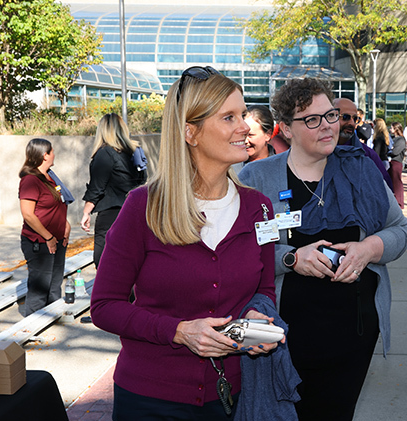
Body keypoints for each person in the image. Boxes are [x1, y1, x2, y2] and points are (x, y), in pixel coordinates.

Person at [91, 66, 284, 420]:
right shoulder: (143, 206)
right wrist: (178, 332)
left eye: (243, 114)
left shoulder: (260, 208)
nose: (245, 126)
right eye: (229, 117)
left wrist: (256, 320)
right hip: (150, 398)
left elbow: (265, 290)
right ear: (190, 132)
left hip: (232, 397)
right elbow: (104, 305)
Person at [239, 78, 407, 421]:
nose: (328, 126)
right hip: (282, 335)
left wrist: (368, 249)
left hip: (354, 332)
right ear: (286, 128)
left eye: (330, 115)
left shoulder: (360, 169)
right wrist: (291, 258)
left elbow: (400, 231)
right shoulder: (256, 177)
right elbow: (240, 254)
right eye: (312, 120)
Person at [80, 113, 146, 268]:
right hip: (135, 212)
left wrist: (86, 212)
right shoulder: (135, 151)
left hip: (112, 215)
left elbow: (97, 187)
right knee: (131, 261)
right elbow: (142, 180)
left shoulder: (105, 153)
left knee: (104, 261)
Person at [18, 138, 72, 316]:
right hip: (39, 242)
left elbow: (57, 205)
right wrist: (48, 237)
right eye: (52, 151)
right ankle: (29, 327)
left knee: (54, 285)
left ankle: (51, 320)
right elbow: (28, 214)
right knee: (40, 288)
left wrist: (66, 225)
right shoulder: (30, 180)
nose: (54, 153)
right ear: (44, 155)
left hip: (57, 240)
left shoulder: (50, 176)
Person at [332, 97, 394, 190]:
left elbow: (386, 190)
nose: (351, 123)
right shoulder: (316, 151)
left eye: (355, 119)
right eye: (345, 117)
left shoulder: (367, 155)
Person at [388, 122, 407, 209]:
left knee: (397, 182)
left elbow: (395, 152)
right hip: (392, 162)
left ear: (396, 129)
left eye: (391, 128)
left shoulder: (401, 140)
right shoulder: (394, 139)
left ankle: (399, 202)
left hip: (396, 162)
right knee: (393, 182)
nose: (390, 129)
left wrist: (390, 150)